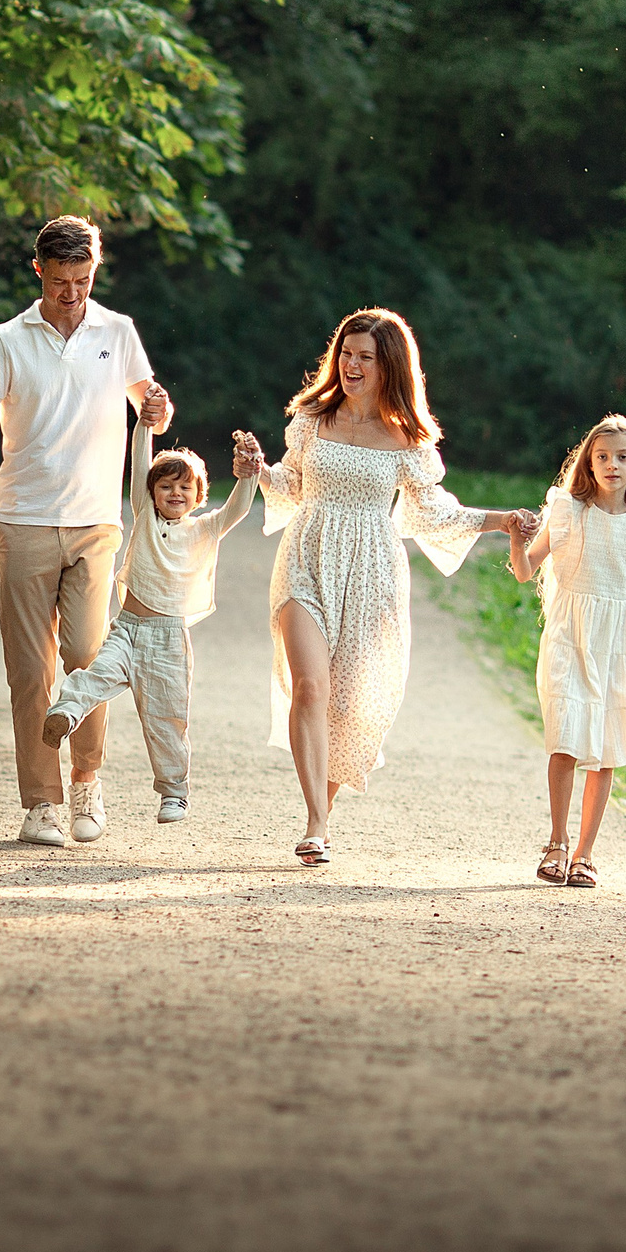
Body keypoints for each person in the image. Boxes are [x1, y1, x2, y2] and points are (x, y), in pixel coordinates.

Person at [0, 217, 171, 847]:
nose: (71, 293)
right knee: (30, 670)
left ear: (94, 271)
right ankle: (41, 802)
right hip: (22, 519)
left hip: (95, 520)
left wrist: (159, 409)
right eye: (59, 282)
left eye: (82, 280)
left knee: (87, 657)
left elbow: (149, 404)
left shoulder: (119, 333)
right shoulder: (7, 341)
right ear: (38, 272)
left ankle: (86, 782)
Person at [236, 310, 537, 866]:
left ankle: (322, 815)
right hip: (306, 554)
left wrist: (499, 520)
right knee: (310, 685)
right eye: (345, 354)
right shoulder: (310, 419)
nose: (351, 365)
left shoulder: (407, 438)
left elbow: (433, 512)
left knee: (348, 705)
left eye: (364, 357)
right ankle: (315, 823)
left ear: (388, 366)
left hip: (373, 570)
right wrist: (255, 471)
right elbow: (294, 483)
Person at [39, 422, 258, 827]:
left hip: (169, 640)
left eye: (184, 488)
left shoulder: (205, 529)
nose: (174, 494)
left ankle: (174, 792)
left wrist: (248, 472)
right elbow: (140, 464)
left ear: (198, 495)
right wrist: (144, 425)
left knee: (167, 719)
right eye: (165, 487)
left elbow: (239, 508)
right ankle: (67, 714)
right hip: (127, 628)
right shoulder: (145, 519)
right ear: (151, 492)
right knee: (94, 676)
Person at [507, 413, 626, 889]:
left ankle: (585, 854)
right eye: (602, 457)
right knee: (565, 740)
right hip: (568, 636)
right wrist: (518, 541)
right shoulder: (567, 510)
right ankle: (557, 843)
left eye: (622, 457)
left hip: (618, 645)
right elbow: (525, 571)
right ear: (589, 463)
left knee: (604, 752)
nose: (612, 465)